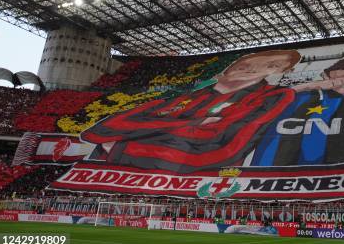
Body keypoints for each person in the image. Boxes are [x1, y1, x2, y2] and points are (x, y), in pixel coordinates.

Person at [81, 50, 301, 172]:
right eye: (248, 62)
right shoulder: (180, 97)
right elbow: (100, 130)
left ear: (280, 72)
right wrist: (191, 124)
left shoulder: (274, 95)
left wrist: (123, 144)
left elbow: (221, 147)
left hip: (196, 186)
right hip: (109, 176)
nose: (254, 68)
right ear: (230, 66)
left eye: (270, 65)